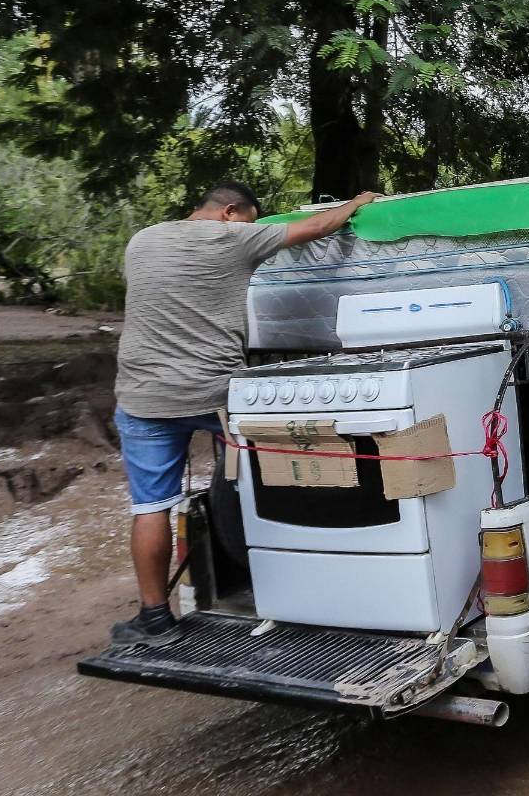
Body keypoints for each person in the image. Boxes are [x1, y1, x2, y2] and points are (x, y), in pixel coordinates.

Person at [110, 182, 377, 647]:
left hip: (143, 396)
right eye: (251, 219)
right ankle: (297, 589)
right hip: (217, 395)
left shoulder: (143, 239)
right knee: (262, 479)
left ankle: (153, 618)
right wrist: (355, 202)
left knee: (150, 506)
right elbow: (319, 225)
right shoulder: (233, 237)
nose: (252, 228)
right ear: (231, 212)